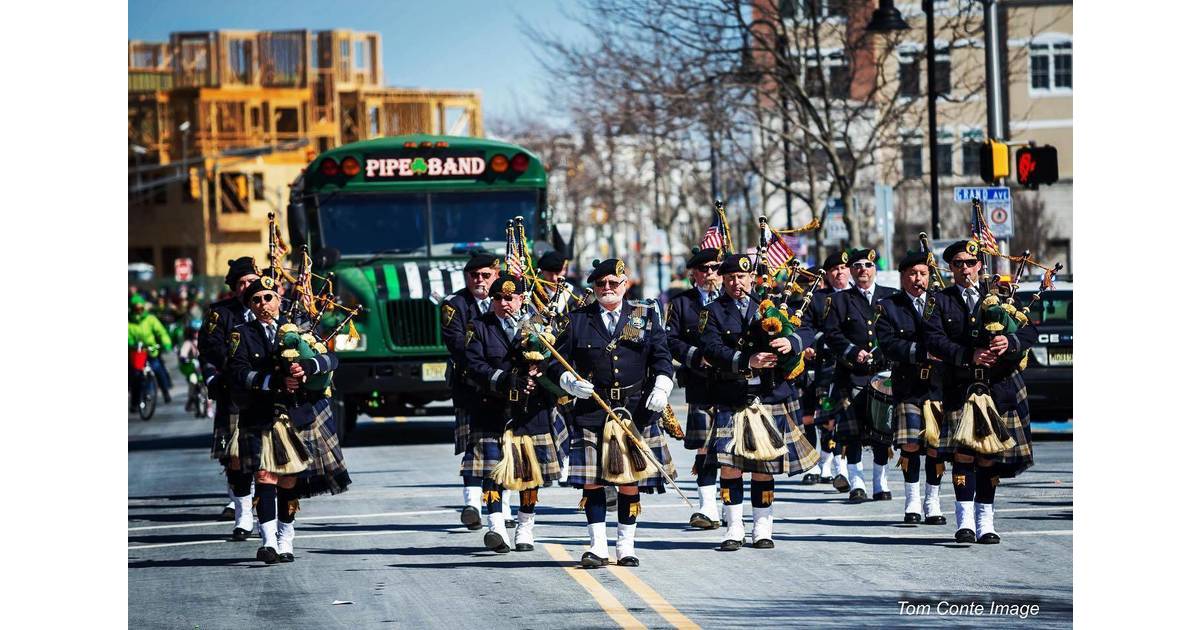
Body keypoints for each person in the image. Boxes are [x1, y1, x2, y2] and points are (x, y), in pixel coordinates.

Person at [547, 258, 677, 569]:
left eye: (613, 283)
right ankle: (597, 547)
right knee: (592, 482)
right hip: (593, 411)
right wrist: (568, 381)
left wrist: (662, 386)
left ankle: (626, 546)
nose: (607, 289)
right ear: (593, 287)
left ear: (625, 285)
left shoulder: (642, 316)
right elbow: (556, 363)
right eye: (601, 284)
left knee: (629, 483)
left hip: (634, 411)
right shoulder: (578, 320)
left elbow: (662, 357)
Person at [698, 253, 816, 551]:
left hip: (770, 395)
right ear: (722, 280)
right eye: (730, 278)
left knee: (764, 465)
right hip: (732, 396)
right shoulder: (712, 312)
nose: (737, 283)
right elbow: (710, 348)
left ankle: (763, 526)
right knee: (730, 465)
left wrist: (792, 343)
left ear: (752, 278)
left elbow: (806, 329)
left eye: (742, 277)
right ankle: (734, 526)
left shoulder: (773, 306)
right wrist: (745, 360)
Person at [923, 241, 1038, 544]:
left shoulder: (1001, 296)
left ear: (980, 266)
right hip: (961, 386)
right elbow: (932, 339)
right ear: (950, 268)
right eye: (958, 263)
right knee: (963, 455)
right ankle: (965, 523)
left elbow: (1030, 332)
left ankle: (986, 521)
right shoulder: (940, 300)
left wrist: (1009, 343)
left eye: (970, 262)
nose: (965, 268)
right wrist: (967, 354)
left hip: (997, 387)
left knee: (988, 458)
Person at [227, 275, 343, 564]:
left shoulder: (301, 328)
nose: (263, 303)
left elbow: (331, 360)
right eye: (256, 299)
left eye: (268, 297)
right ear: (250, 306)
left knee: (289, 481)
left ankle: (285, 538)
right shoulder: (242, 334)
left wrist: (307, 367)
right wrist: (275, 381)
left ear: (279, 299)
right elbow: (239, 373)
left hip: (296, 415)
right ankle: (267, 543)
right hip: (261, 414)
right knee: (265, 476)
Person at [462, 273, 563, 553]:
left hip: (531, 412)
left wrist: (541, 370)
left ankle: (524, 528)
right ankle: (496, 528)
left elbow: (555, 359)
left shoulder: (540, 326)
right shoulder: (478, 327)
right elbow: (473, 365)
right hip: (493, 409)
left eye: (509, 298)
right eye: (497, 298)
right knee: (493, 473)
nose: (503, 303)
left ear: (521, 299)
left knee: (530, 474)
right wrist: (505, 380)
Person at [442, 252, 514, 530]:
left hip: (506, 386)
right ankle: (471, 503)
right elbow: (458, 345)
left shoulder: (509, 299)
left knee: (505, 449)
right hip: (470, 385)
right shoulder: (455, 304)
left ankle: (504, 508)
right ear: (467, 277)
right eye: (474, 275)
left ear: (497, 275)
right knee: (476, 446)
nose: (479, 281)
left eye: (486, 275)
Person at [822, 249, 899, 504]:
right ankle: (857, 483)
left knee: (881, 432)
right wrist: (853, 352)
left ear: (874, 268)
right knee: (852, 433)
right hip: (851, 375)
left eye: (868, 264)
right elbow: (832, 335)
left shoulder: (890, 297)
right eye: (857, 266)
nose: (863, 269)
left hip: (883, 374)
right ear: (852, 271)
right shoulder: (840, 300)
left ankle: (880, 482)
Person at [875, 251, 946, 525]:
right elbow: (888, 343)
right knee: (911, 444)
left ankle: (933, 500)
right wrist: (921, 351)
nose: (918, 279)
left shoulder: (940, 303)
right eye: (913, 274)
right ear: (903, 277)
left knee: (936, 447)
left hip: (939, 385)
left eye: (923, 274)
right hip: (909, 384)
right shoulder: (889, 306)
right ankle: (912, 500)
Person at [199, 257, 261, 532]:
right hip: (234, 392)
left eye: (251, 281)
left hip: (267, 393)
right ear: (234, 288)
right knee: (235, 456)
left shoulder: (268, 306)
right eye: (241, 283)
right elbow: (210, 346)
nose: (247, 287)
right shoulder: (221, 313)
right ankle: (243, 514)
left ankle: (268, 514)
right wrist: (237, 368)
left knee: (266, 455)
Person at [664, 247, 724, 529]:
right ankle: (707, 507)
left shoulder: (732, 301)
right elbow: (671, 340)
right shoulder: (682, 304)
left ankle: (728, 505)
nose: (710, 273)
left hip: (732, 384)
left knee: (730, 448)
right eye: (704, 269)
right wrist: (695, 356)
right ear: (694, 274)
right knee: (704, 447)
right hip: (700, 381)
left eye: (715, 267)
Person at [802, 253, 853, 488]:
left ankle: (841, 467)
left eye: (844, 267)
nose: (840, 272)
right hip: (828, 366)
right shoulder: (817, 300)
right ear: (827, 275)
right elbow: (808, 330)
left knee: (847, 419)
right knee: (827, 418)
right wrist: (815, 345)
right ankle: (826, 462)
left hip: (855, 368)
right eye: (834, 269)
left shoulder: (859, 295)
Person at [128, 294, 174, 405]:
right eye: (136, 308)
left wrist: (166, 343)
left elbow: (161, 332)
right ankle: (134, 402)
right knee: (136, 376)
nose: (139, 311)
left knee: (158, 369)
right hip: (137, 352)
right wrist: (131, 343)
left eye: (141, 308)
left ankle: (165, 392)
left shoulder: (150, 319)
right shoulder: (129, 322)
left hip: (151, 349)